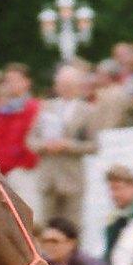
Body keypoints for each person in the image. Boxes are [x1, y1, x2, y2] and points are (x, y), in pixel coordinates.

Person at [27, 65, 97, 226]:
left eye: (70, 85)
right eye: (62, 85)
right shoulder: (46, 107)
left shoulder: (87, 110)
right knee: (46, 226)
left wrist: (68, 145)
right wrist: (45, 146)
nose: (65, 89)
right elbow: (31, 139)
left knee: (71, 226)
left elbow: (94, 145)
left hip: (72, 178)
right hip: (48, 177)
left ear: (78, 87)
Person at [0, 63, 41, 215]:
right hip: (2, 172)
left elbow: (31, 140)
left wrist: (22, 164)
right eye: (8, 81)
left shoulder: (34, 108)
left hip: (24, 171)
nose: (11, 84)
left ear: (27, 82)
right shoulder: (3, 111)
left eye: (15, 80)